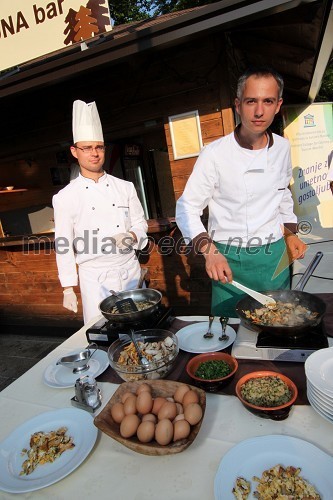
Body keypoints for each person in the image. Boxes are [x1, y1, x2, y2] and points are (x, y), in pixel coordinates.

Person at [176, 66, 307, 318]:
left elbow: (282, 194)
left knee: (278, 324)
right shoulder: (214, 154)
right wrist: (210, 252)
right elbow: (187, 207)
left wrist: (290, 234)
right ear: (238, 105)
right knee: (230, 330)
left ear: (278, 105)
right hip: (228, 259)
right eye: (251, 101)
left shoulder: (282, 147)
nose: (259, 111)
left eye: (267, 101)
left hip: (273, 258)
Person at [53, 100, 148, 324]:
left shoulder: (125, 187)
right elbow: (63, 244)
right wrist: (68, 287)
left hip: (129, 273)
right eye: (87, 148)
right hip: (95, 280)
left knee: (142, 330)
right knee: (104, 336)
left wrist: (132, 236)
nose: (94, 153)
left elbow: (140, 223)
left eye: (99, 147)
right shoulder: (65, 197)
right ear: (75, 151)